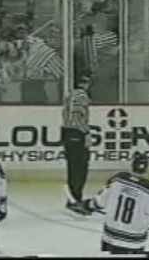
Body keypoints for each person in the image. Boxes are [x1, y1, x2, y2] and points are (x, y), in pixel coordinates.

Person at [81, 153, 149, 255]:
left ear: (132, 165)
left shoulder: (117, 181)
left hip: (109, 238)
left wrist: (87, 205)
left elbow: (98, 203)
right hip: (133, 242)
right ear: (146, 168)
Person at [62, 73, 93, 215]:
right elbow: (77, 116)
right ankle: (75, 199)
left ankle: (73, 198)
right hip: (76, 134)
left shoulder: (69, 95)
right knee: (80, 168)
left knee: (73, 168)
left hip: (68, 132)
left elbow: (65, 114)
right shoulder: (81, 96)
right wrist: (85, 133)